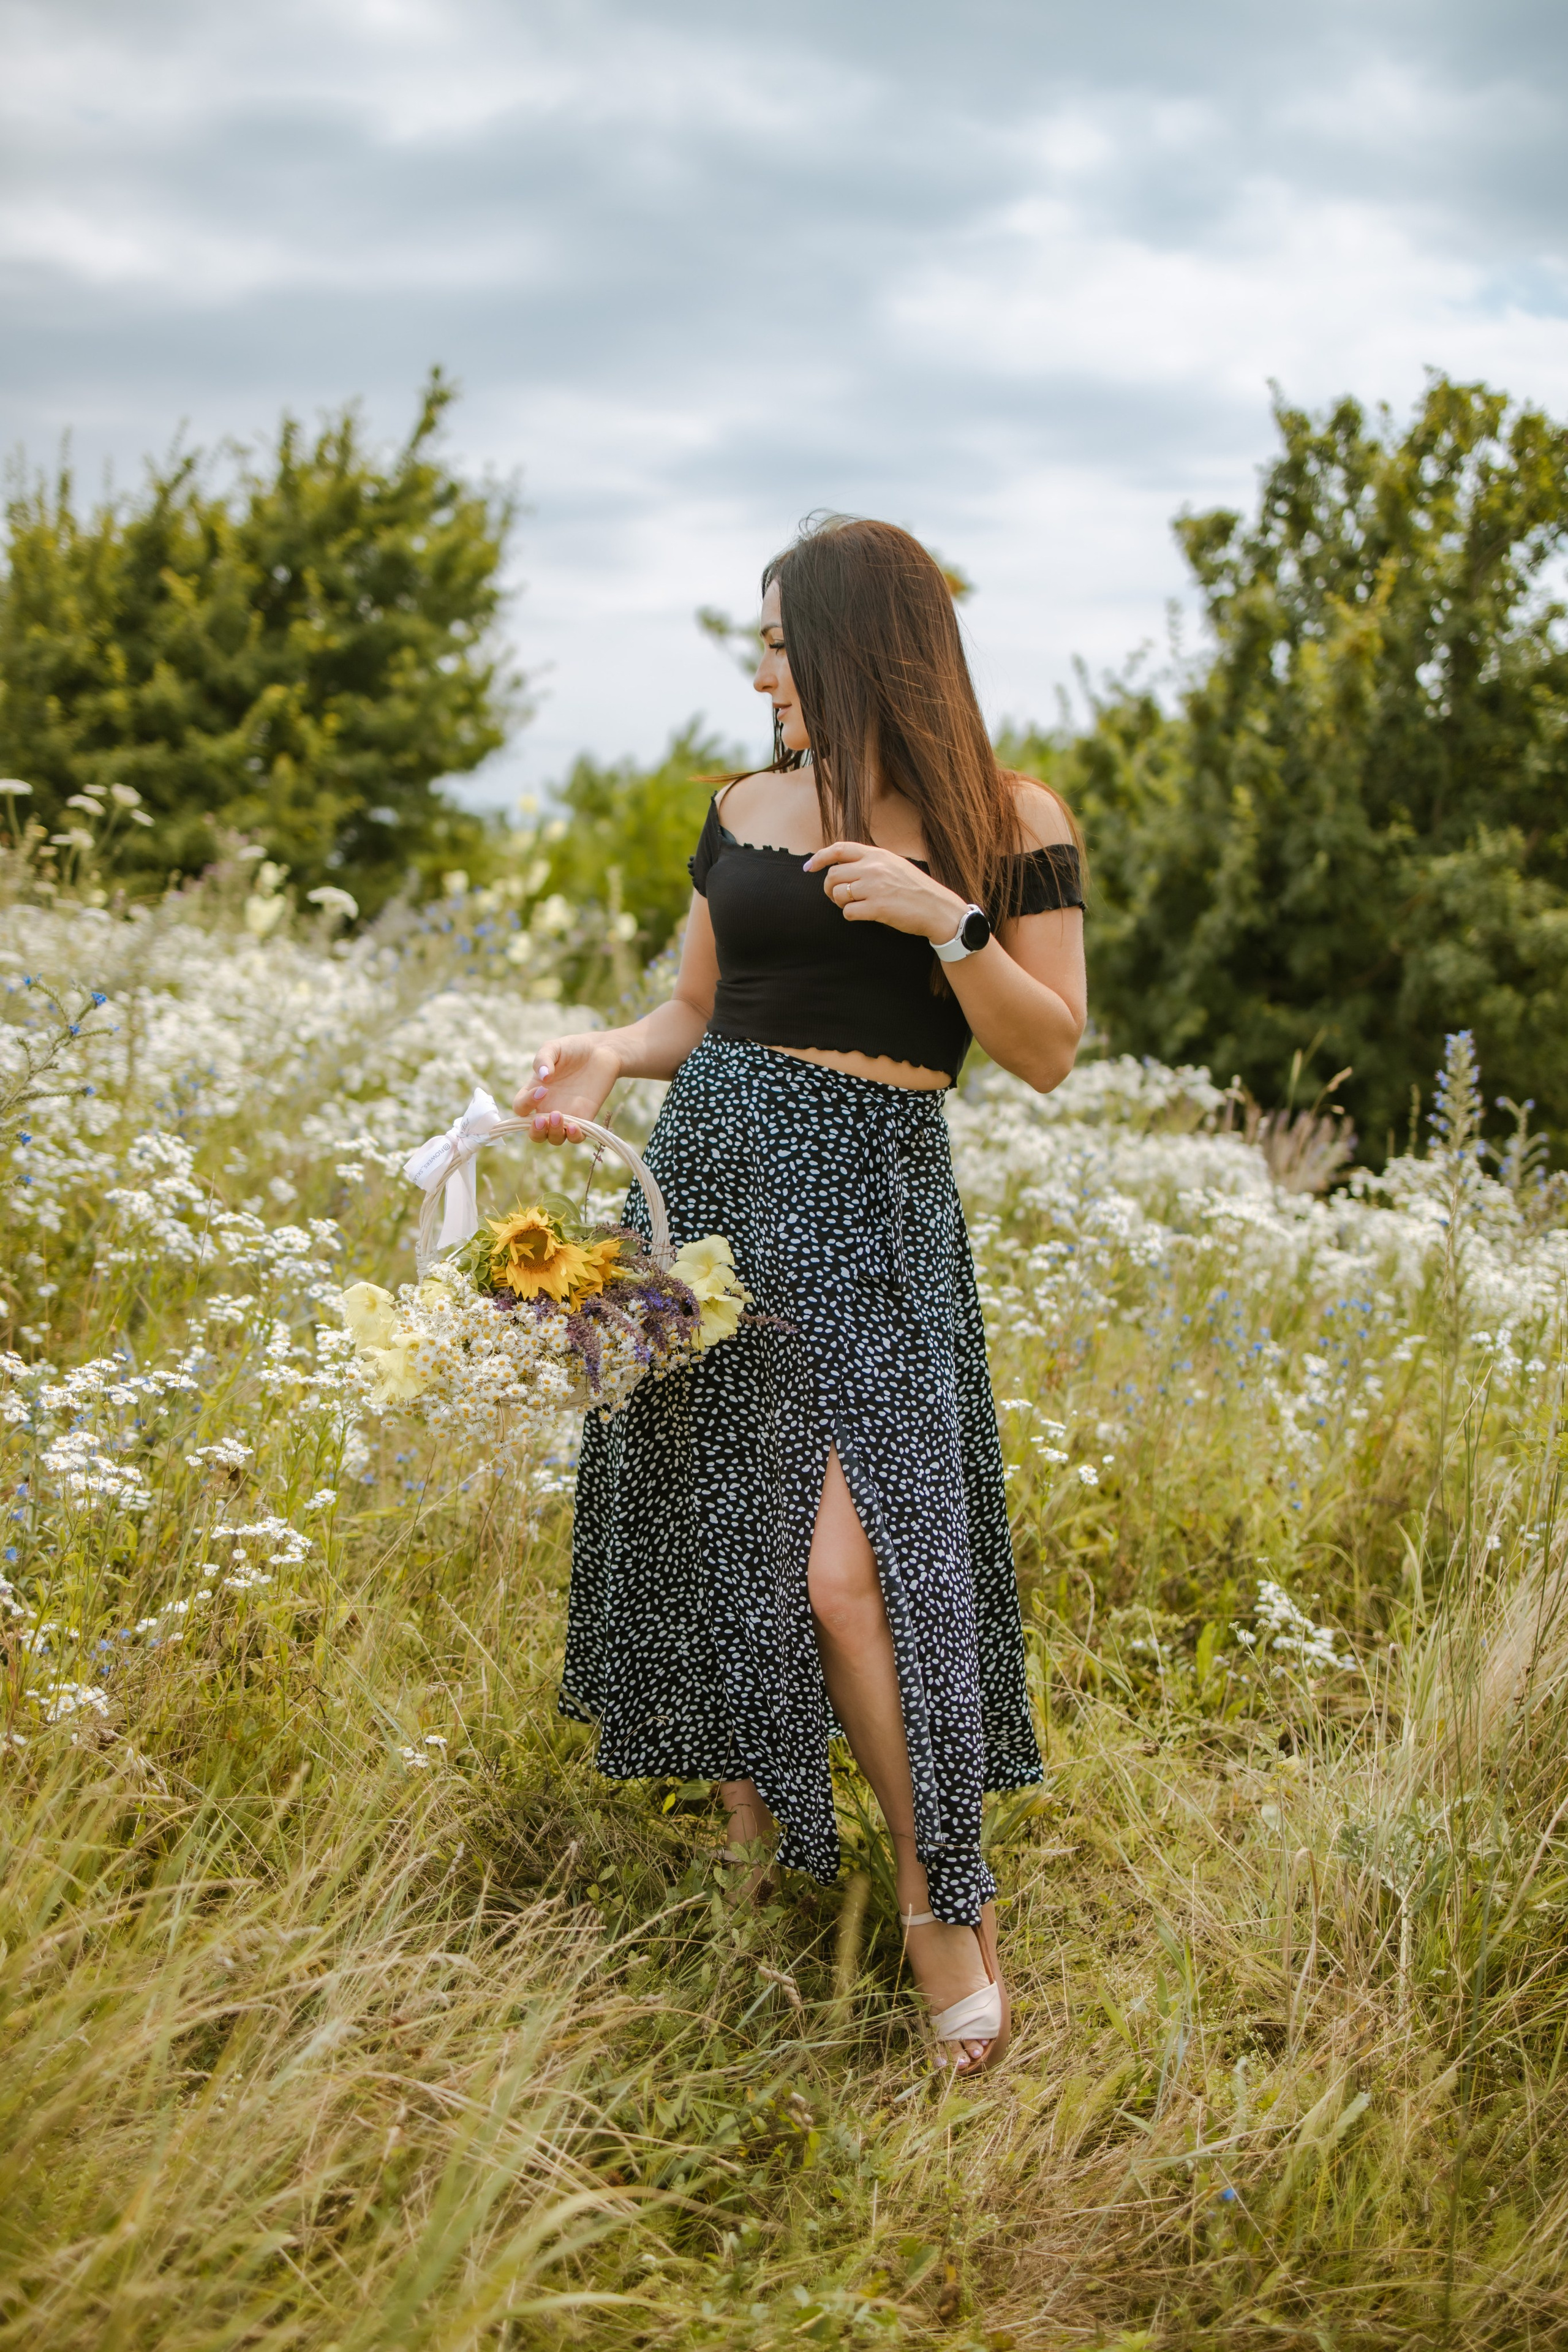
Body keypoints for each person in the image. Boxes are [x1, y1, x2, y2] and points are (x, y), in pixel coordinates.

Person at [518, 514, 1086, 2073]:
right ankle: (757, 1859)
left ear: (852, 645)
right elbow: (694, 1008)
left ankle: (934, 1904)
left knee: (855, 1568)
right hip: (715, 1185)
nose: (760, 667)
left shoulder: (1006, 816)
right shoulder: (743, 804)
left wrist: (944, 920)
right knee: (721, 1529)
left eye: (776, 639)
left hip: (872, 1199)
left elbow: (1045, 1048)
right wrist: (606, 1055)